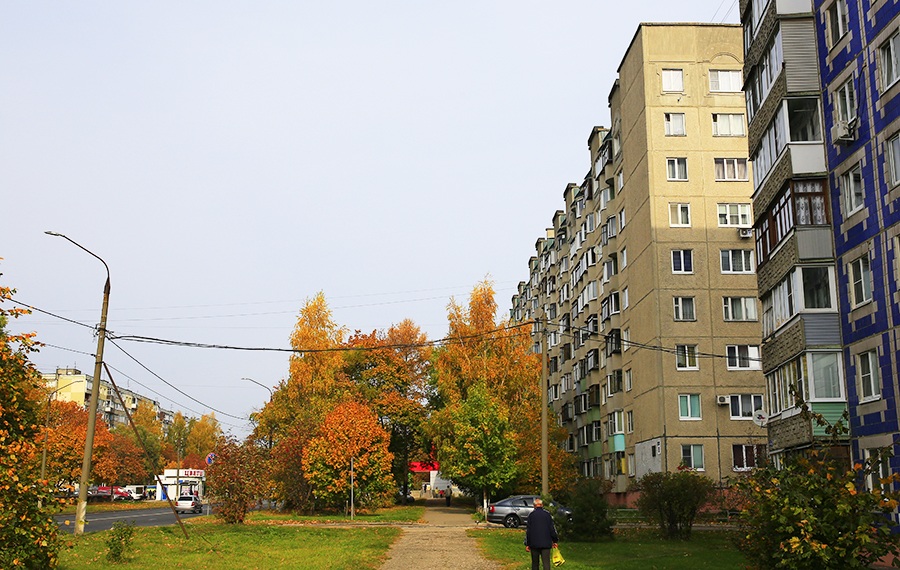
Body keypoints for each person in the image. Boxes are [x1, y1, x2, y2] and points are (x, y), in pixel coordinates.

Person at [524, 498, 558, 570]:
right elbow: (552, 529)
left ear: (534, 506)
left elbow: (528, 531)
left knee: (535, 564)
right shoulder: (547, 515)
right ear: (542, 505)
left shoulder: (531, 515)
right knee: (546, 564)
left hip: (534, 543)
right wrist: (555, 540)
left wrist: (527, 544)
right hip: (546, 543)